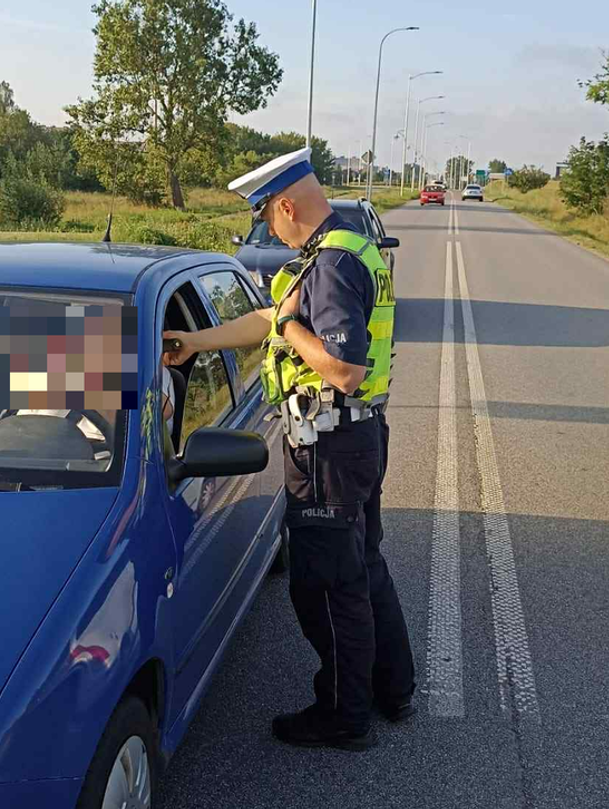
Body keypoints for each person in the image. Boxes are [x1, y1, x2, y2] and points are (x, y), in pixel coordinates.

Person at [163, 147, 415, 751]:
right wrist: (196, 340)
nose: (265, 231)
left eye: (264, 219)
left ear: (284, 205)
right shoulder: (350, 248)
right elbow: (268, 321)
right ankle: (392, 687)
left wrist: (294, 329)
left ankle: (343, 713)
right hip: (356, 437)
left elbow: (344, 367)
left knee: (326, 586)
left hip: (328, 444)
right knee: (363, 567)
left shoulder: (328, 266)